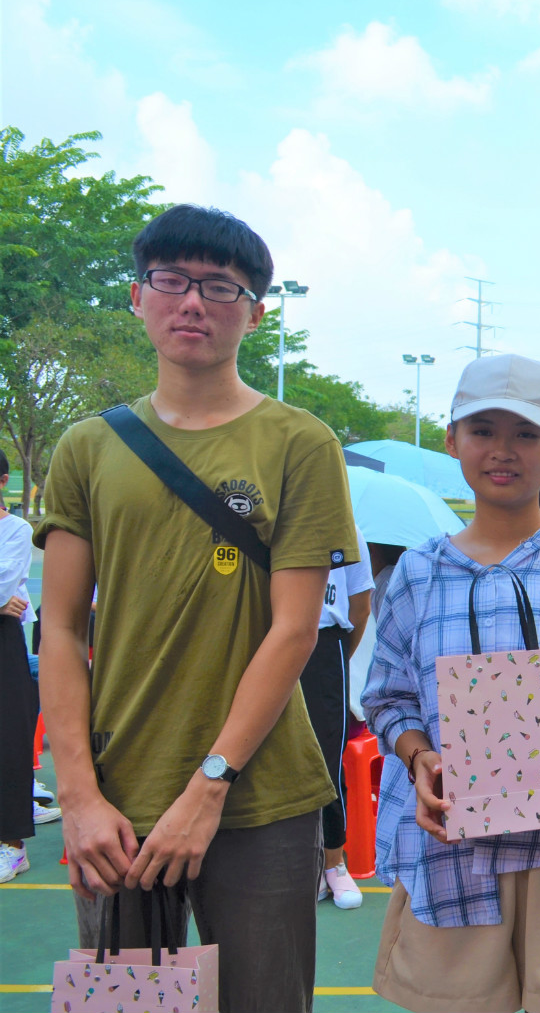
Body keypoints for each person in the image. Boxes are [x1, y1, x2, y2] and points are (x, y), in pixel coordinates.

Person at [35, 204, 358, 1012]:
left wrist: (209, 784)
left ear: (255, 313)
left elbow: (295, 629)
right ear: (137, 296)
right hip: (116, 796)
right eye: (171, 280)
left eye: (220, 287)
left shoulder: (300, 442)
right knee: (126, 1002)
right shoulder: (86, 447)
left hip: (261, 795)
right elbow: (61, 627)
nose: (192, 302)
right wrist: (77, 794)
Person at [363, 354, 540, 1013]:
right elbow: (388, 696)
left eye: (526, 433)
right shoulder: (418, 572)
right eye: (482, 430)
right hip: (450, 845)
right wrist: (419, 757)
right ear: (452, 440)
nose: (503, 450)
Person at [305, 527, 374, 909]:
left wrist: (337, 660)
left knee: (326, 759)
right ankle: (303, 862)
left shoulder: (346, 529)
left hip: (324, 646)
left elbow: (359, 607)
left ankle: (333, 862)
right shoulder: (266, 519)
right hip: (265, 641)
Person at [1, 450, 54, 885]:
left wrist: (4, 603)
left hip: (6, 645)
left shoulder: (16, 529)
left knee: (8, 740)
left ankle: (12, 844)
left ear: (3, 483)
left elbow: (5, 584)